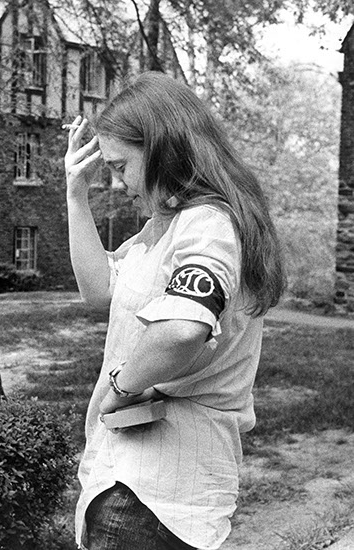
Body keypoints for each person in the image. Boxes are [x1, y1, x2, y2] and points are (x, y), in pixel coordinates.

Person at [64, 71, 286, 550]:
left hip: (153, 494)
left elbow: (182, 329)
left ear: (161, 148)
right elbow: (99, 291)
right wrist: (75, 195)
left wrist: (121, 388)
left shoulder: (207, 225)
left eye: (122, 166)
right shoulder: (165, 228)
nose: (120, 184)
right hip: (135, 484)